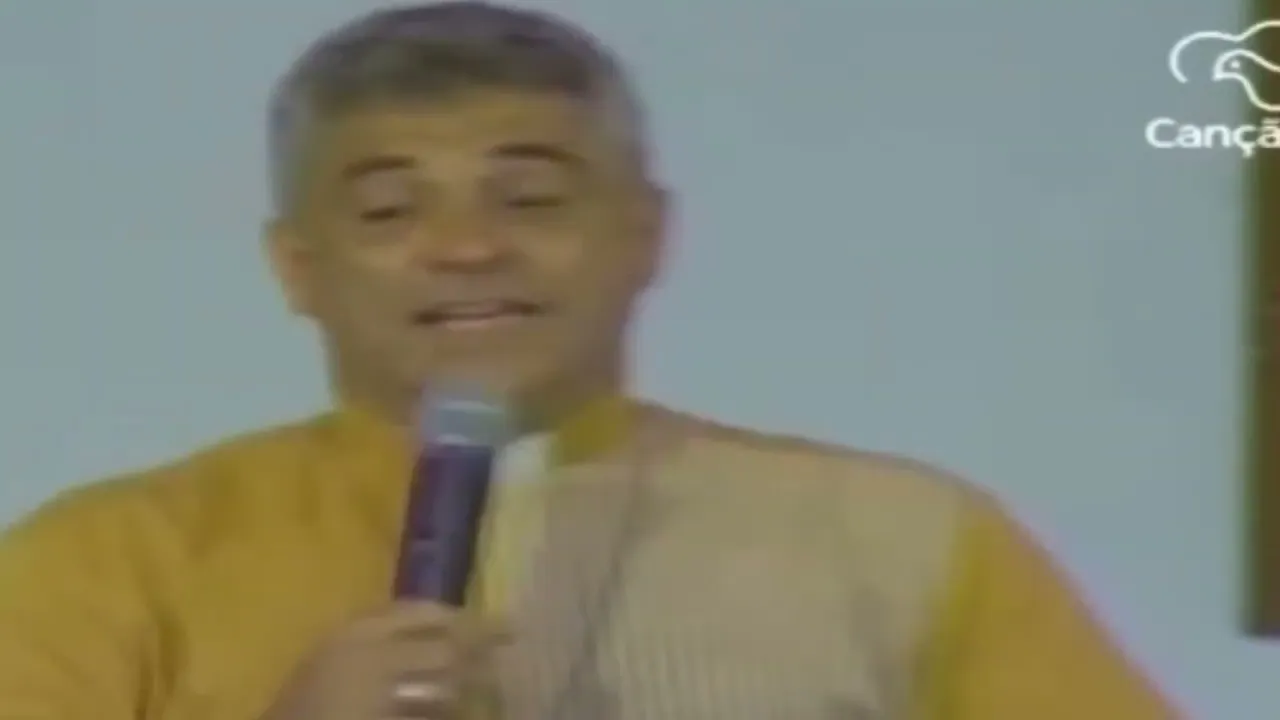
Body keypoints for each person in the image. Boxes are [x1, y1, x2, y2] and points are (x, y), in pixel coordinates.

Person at [0, 3, 1180, 719]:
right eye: (390, 210)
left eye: (529, 197)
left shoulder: (894, 539)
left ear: (644, 236)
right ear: (296, 267)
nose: (468, 247)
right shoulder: (113, 560)